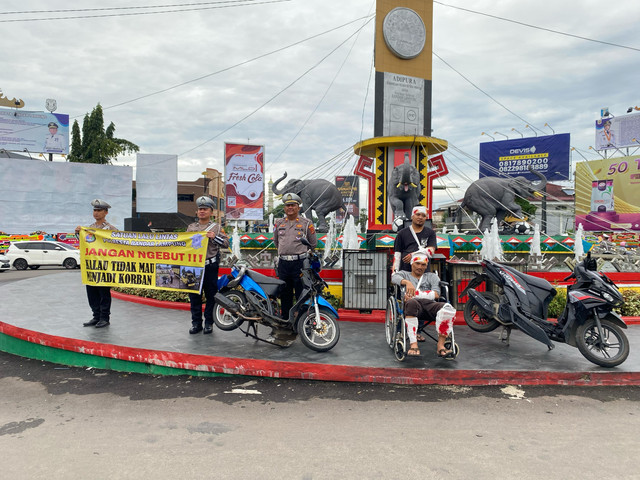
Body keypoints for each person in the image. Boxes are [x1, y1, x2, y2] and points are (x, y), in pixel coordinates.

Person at [391, 251, 457, 358]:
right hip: (413, 306)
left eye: (423, 265)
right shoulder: (404, 274)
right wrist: (407, 283)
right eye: (417, 263)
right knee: (411, 302)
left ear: (426, 266)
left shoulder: (431, 276)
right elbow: (394, 278)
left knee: (448, 309)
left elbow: (436, 294)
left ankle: (440, 345)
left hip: (430, 305)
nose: (420, 267)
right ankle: (413, 344)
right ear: (412, 263)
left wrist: (415, 294)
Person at [186, 196, 229, 334]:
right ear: (197, 212)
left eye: (205, 209)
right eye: (200, 209)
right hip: (193, 266)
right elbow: (184, 245)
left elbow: (226, 244)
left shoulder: (216, 227)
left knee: (211, 295)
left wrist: (214, 237)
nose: (202, 211)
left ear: (211, 212)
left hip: (210, 265)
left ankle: (209, 323)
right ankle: (196, 323)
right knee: (194, 296)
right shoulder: (191, 227)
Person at [273, 192, 317, 320]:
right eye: (287, 205)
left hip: (300, 264)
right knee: (284, 293)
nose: (290, 208)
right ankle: (286, 320)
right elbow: (276, 242)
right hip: (283, 264)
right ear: (284, 208)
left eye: (293, 205)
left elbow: (313, 244)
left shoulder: (306, 223)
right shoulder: (279, 223)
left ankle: (302, 321)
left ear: (298, 207)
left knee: (301, 294)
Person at [75, 199, 117, 328]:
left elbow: (117, 245)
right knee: (92, 292)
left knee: (103, 293)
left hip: (104, 267)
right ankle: (96, 316)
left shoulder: (110, 229)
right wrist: (78, 233)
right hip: (91, 267)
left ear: (106, 212)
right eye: (95, 210)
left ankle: (105, 317)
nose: (96, 213)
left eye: (99, 210)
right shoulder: (90, 228)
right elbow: (85, 243)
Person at [393, 205, 437, 272]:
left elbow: (430, 251)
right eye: (418, 214)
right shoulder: (402, 233)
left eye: (423, 215)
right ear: (412, 216)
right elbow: (397, 255)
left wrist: (413, 255)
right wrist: (394, 273)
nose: (420, 217)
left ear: (426, 218)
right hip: (405, 272)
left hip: (423, 273)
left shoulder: (430, 233)